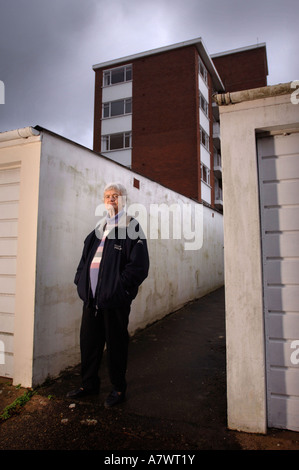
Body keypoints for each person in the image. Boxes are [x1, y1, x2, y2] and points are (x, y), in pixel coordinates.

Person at [67, 182, 149, 407]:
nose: (111, 199)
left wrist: (119, 288)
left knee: (116, 346)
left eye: (115, 196)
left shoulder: (132, 227)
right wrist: (80, 283)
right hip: (92, 301)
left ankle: (118, 389)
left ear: (123, 200)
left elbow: (139, 267)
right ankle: (89, 384)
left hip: (115, 301)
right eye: (107, 196)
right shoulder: (98, 229)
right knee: (89, 344)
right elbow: (84, 261)